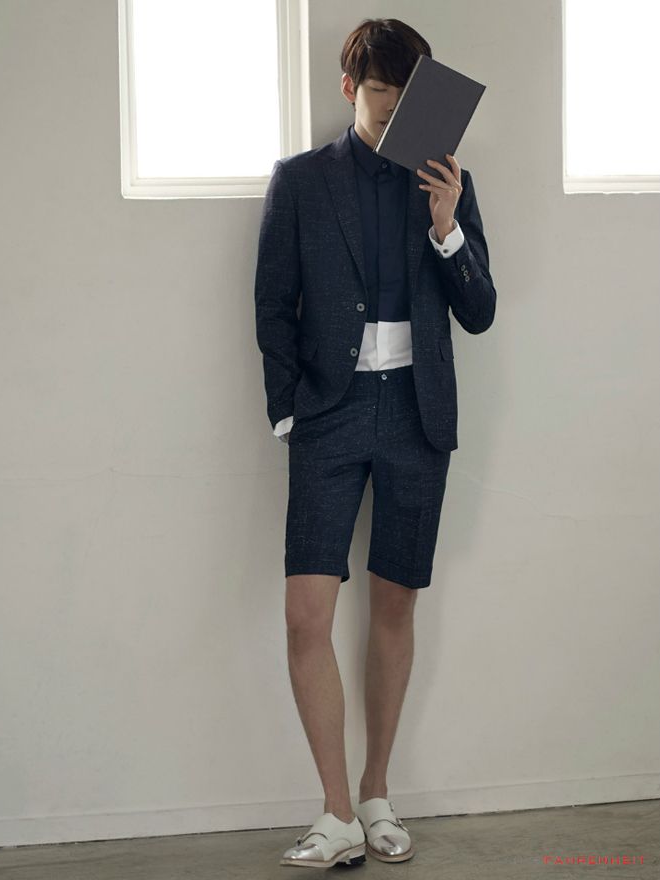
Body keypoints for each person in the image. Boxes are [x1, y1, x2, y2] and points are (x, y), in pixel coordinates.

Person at [254, 17, 496, 870]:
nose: (395, 109)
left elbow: (479, 311)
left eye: (408, 93)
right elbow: (272, 302)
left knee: (395, 607)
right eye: (383, 91)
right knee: (305, 613)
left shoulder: (448, 180)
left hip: (417, 415)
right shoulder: (301, 181)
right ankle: (334, 815)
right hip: (329, 414)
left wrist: (447, 225)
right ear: (352, 88)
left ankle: (376, 794)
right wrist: (289, 410)